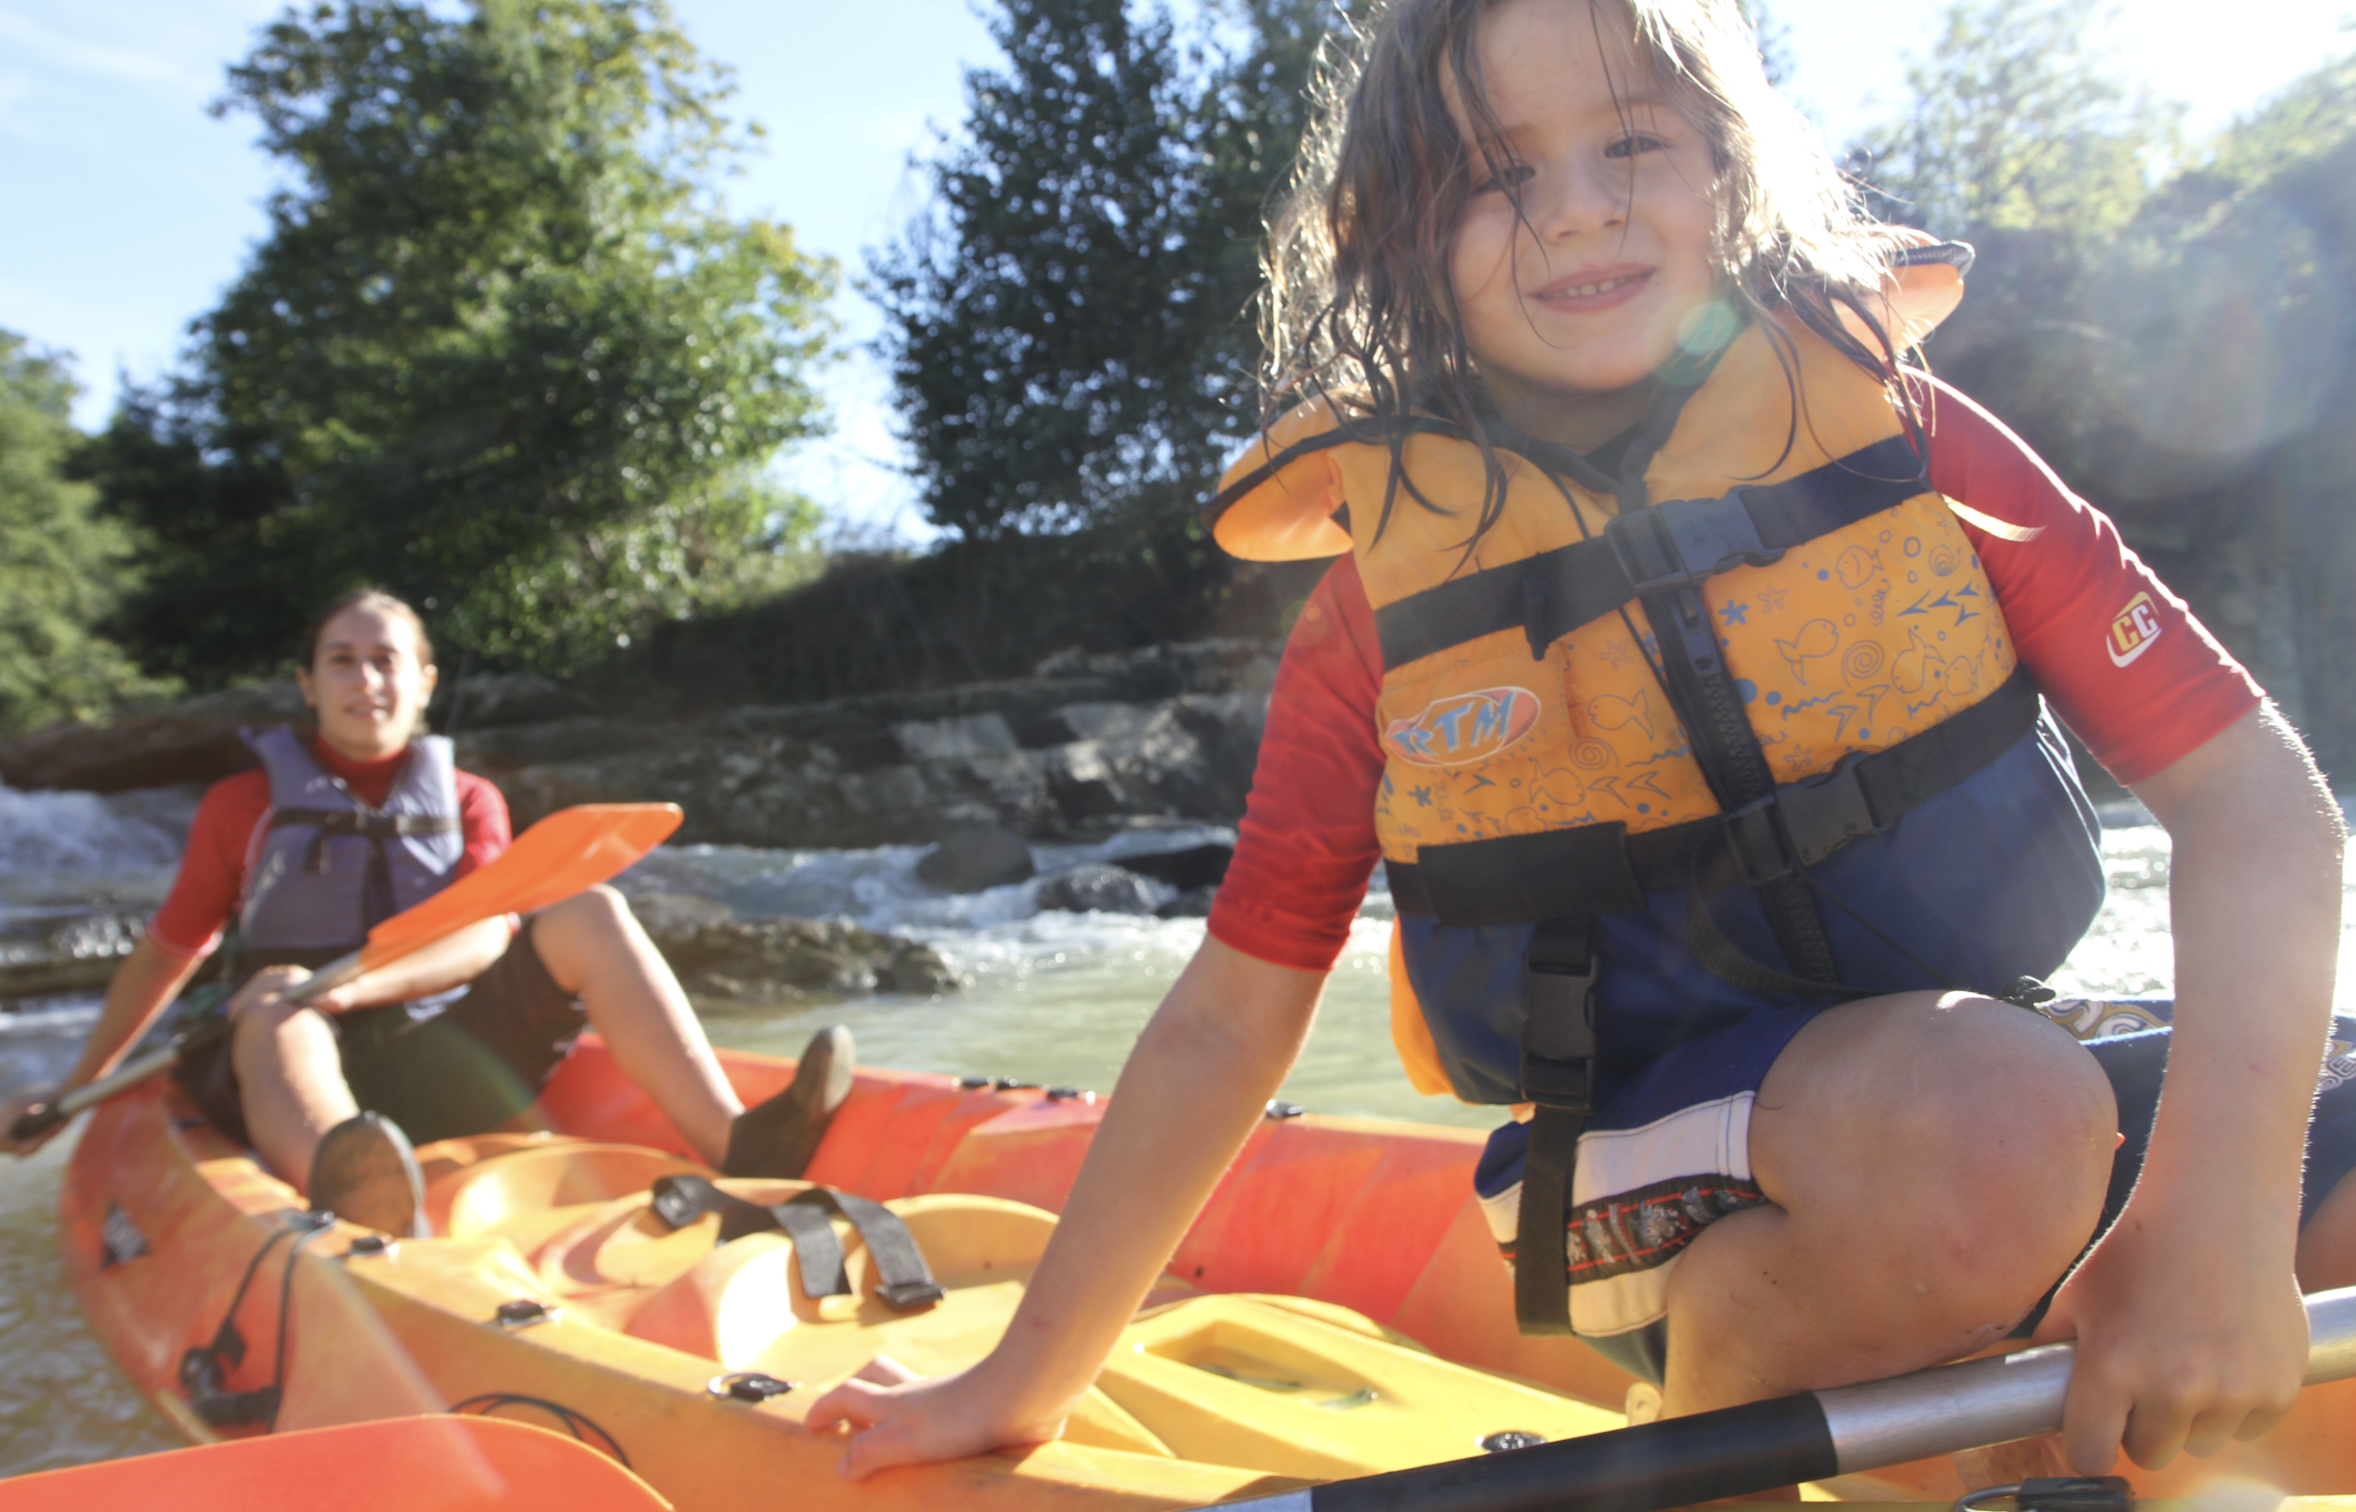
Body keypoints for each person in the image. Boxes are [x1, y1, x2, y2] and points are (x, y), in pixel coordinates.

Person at [805, 0, 2349, 1485]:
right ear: (1398, 236)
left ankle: (1995, 1412)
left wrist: (2214, 1230)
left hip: (1964, 1070)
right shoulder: (1379, 613)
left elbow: (2256, 804)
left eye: (1634, 145)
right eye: (1497, 175)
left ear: (1731, 168)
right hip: (1646, 1181)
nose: (1579, 214)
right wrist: (1023, 1378)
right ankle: (1746, 1398)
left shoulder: (1900, 434)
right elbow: (1227, 1020)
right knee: (1994, 1127)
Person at [3, 588, 854, 1238]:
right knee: (273, 996)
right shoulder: (242, 804)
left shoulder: (472, 799)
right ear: (307, 683)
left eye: (386, 661)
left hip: (433, 1049)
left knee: (588, 908)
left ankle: (737, 1143)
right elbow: (168, 952)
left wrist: (357, 988)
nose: (365, 679)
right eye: (341, 660)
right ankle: (354, 1199)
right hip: (283, 1058)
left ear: (424, 683)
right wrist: (76, 1089)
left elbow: (488, 933)